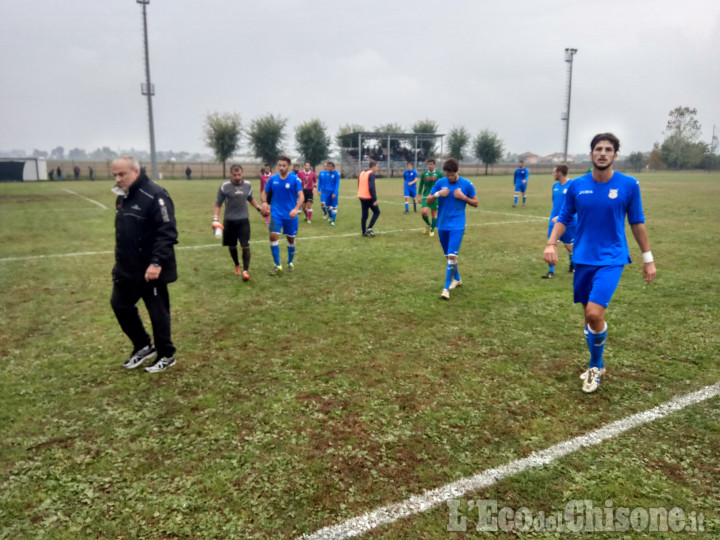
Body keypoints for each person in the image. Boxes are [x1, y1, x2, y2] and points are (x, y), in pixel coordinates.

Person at [544, 133, 656, 393]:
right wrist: (551, 242)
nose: (603, 153)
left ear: (615, 155)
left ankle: (596, 365)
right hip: (583, 258)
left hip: (612, 258)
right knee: (587, 315)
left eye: (608, 149)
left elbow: (637, 223)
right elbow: (563, 217)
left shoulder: (629, 185)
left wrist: (647, 258)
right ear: (591, 154)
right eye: (598, 149)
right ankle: (598, 362)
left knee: (595, 313)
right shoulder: (576, 186)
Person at [110, 155, 178, 373]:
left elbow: (167, 233)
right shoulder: (122, 197)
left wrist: (156, 262)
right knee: (119, 305)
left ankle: (166, 354)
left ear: (136, 172)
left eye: (122, 174)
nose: (118, 179)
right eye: (115, 175)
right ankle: (142, 345)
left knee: (158, 314)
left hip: (151, 270)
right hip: (127, 269)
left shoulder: (155, 195)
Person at [426, 158, 478, 300]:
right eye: (448, 175)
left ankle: (446, 289)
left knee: (452, 256)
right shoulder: (440, 183)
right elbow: (427, 200)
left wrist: (464, 197)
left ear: (458, 171)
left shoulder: (467, 184)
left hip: (458, 225)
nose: (450, 178)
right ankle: (458, 279)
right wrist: (438, 194)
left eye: (452, 175)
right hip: (442, 224)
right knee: (448, 256)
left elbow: (476, 203)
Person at [213, 164, 263, 280]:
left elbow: (250, 198)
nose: (237, 177)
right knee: (232, 246)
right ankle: (237, 265)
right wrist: (215, 218)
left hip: (243, 220)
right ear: (231, 174)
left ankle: (246, 271)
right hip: (229, 221)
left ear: (242, 173)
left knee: (245, 246)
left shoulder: (247, 185)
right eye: (234, 175)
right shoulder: (225, 186)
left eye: (239, 174)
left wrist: (260, 209)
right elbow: (218, 204)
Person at [261, 156, 304, 275]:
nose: (281, 167)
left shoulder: (295, 180)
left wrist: (296, 209)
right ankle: (277, 265)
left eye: (284, 165)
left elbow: (301, 197)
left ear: (288, 166)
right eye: (279, 165)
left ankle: (290, 262)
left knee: (290, 239)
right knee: (273, 237)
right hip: (276, 214)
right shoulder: (273, 179)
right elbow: (264, 192)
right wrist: (264, 202)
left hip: (290, 215)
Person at [542, 164, 575, 278]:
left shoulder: (573, 185)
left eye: (554, 172)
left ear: (560, 173)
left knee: (569, 246)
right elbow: (555, 202)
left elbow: (576, 205)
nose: (553, 174)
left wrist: (561, 216)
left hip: (569, 222)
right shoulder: (555, 186)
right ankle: (551, 271)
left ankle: (573, 265)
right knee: (551, 244)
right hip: (553, 222)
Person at [417, 158, 442, 236]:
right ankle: (429, 224)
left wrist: (441, 195)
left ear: (434, 165)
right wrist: (419, 195)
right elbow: (421, 184)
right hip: (426, 196)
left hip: (435, 196)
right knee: (424, 213)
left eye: (431, 164)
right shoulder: (424, 173)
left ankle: (432, 230)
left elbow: (442, 185)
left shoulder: (439, 173)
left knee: (434, 214)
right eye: (429, 164)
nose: (430, 166)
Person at [358, 160, 380, 237]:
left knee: (364, 215)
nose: (377, 168)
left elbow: (359, 184)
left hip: (361, 196)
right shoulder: (371, 174)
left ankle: (363, 232)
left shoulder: (361, 173)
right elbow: (371, 187)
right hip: (368, 197)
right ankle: (369, 228)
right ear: (373, 166)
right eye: (377, 166)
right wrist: (374, 199)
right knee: (377, 212)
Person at [323, 161, 340, 226]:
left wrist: (335, 193)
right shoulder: (326, 173)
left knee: (334, 207)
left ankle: (333, 221)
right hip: (327, 192)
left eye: (330, 167)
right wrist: (324, 191)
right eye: (328, 166)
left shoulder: (337, 174)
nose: (329, 168)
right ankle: (330, 216)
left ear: (333, 167)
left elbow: (337, 184)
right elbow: (325, 183)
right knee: (327, 207)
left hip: (333, 192)